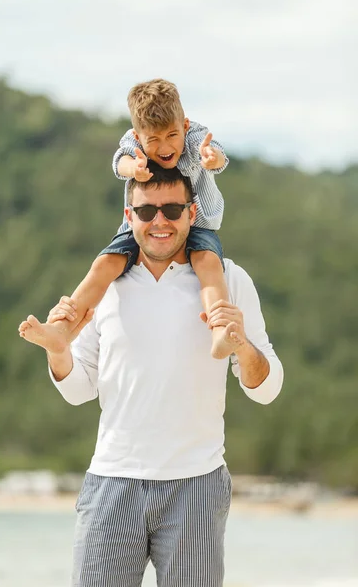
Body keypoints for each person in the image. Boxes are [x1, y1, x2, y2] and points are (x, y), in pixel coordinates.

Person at [19, 165, 284, 587]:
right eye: (146, 212)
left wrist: (242, 346)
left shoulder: (229, 279)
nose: (159, 221)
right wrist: (58, 352)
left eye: (172, 209)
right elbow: (78, 390)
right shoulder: (104, 287)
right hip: (111, 484)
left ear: (192, 213)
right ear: (128, 217)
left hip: (197, 487)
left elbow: (267, 390)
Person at [19, 78, 233, 359]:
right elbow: (120, 163)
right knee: (104, 265)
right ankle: (61, 329)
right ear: (138, 135)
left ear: (184, 126)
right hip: (139, 229)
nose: (164, 147)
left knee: (209, 265)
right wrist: (135, 167)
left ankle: (220, 330)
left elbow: (217, 153)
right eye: (153, 140)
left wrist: (211, 158)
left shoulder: (194, 136)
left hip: (198, 223)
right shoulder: (133, 144)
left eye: (171, 136)